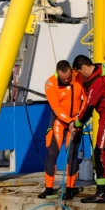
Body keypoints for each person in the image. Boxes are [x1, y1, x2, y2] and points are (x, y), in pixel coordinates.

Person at [71, 54, 105, 204]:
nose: (80, 77)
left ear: (83, 68)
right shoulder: (104, 69)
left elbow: (88, 108)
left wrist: (77, 124)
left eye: (80, 73)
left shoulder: (97, 83)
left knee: (99, 152)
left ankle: (101, 193)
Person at [38, 60, 85, 201]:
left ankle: (70, 188)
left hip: (76, 121)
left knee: (72, 155)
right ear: (57, 73)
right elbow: (56, 108)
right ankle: (49, 188)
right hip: (59, 121)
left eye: (68, 78)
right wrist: (69, 120)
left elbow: (86, 99)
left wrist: (78, 119)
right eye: (63, 79)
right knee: (51, 153)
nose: (66, 80)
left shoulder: (79, 77)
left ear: (71, 71)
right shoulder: (50, 83)